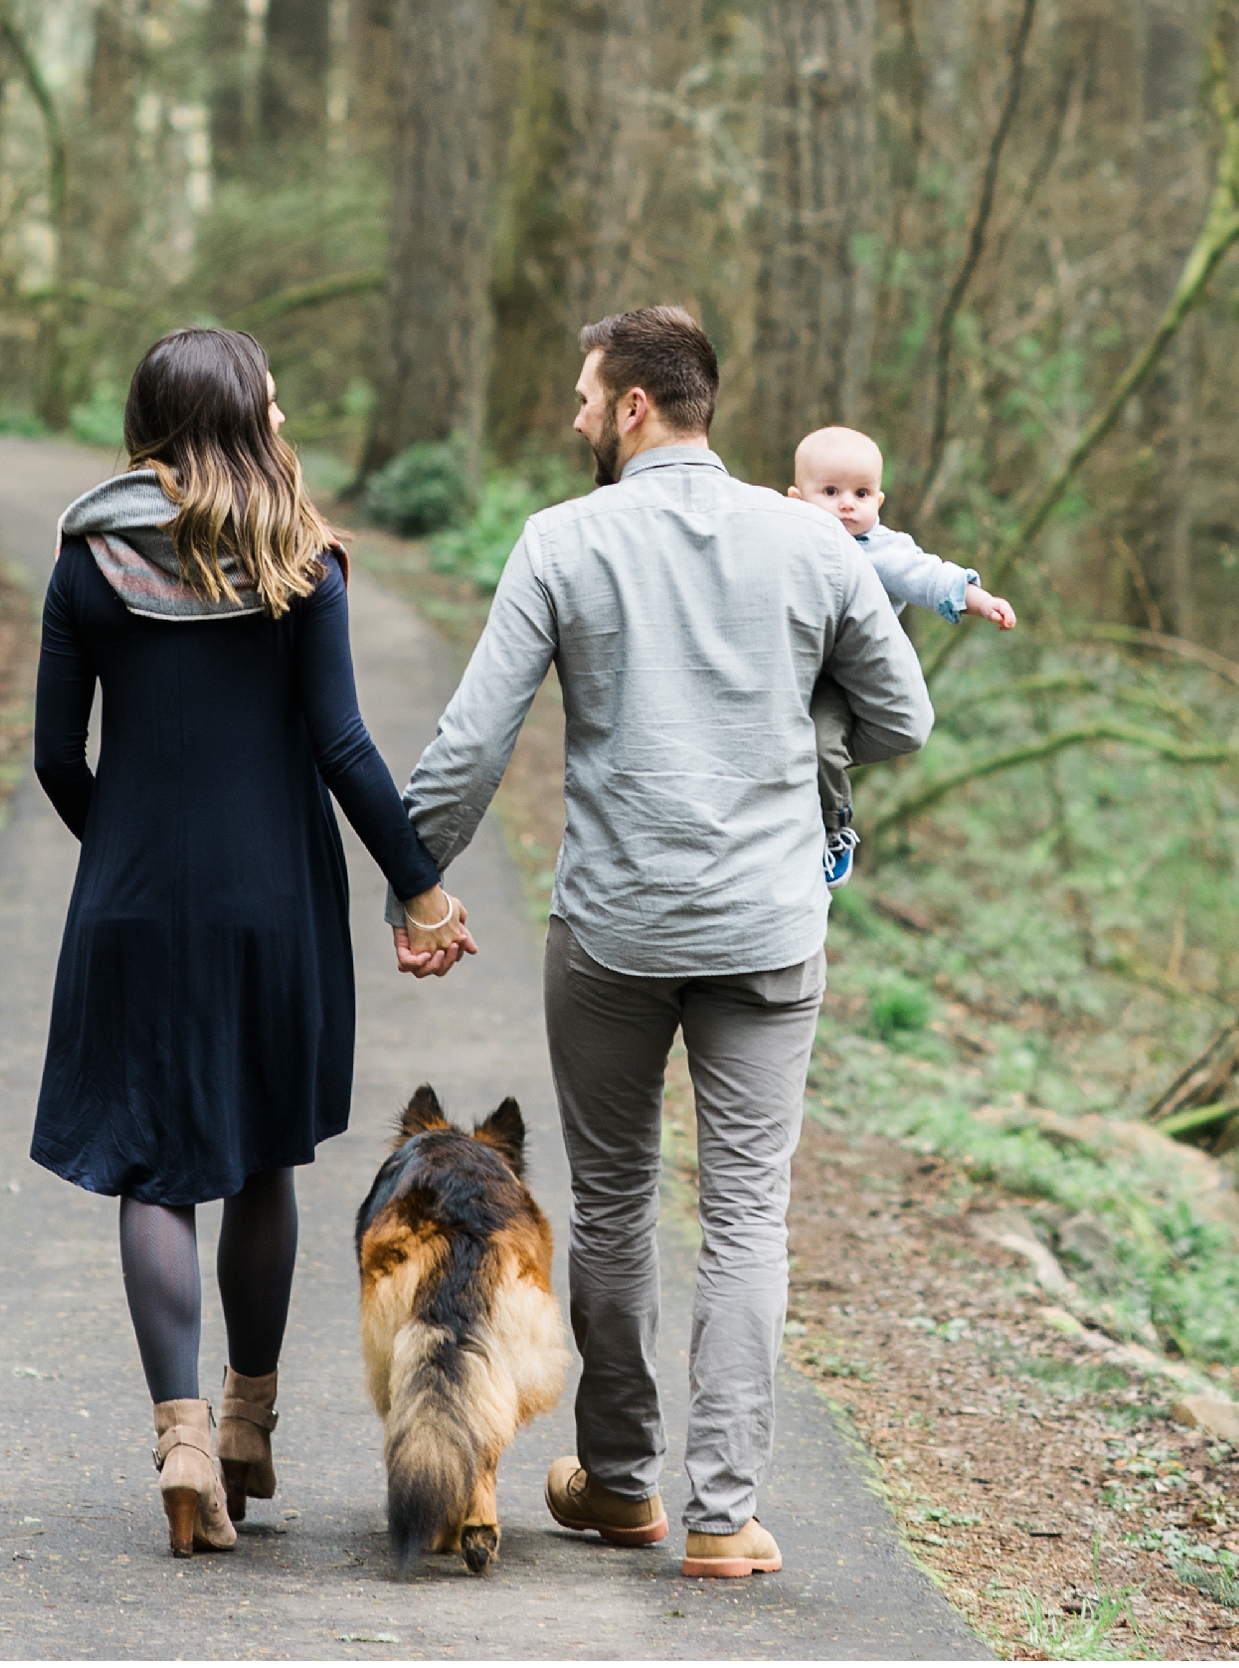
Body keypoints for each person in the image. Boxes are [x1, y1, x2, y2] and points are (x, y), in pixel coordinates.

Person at [391, 306, 934, 1581]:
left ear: (634, 406)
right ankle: (720, 1518)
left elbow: (470, 746)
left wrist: (414, 890)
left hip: (617, 930)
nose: (577, 418)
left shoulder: (560, 541)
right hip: (765, 927)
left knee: (621, 1202)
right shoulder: (809, 539)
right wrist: (800, 737)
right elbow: (899, 717)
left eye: (587, 398)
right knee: (747, 1218)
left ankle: (623, 1484)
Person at [28, 324, 474, 1556]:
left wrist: (118, 847)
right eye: (271, 407)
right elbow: (342, 747)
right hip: (272, 901)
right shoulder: (300, 562)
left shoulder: (87, 563)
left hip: (132, 904)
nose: (283, 423)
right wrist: (421, 890)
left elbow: (56, 759)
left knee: (152, 1168)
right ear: (236, 423)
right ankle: (246, 1422)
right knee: (264, 1154)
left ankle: (177, 1436)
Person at [787, 423, 1018, 889]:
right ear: (795, 499)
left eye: (862, 493)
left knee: (822, 745)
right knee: (794, 746)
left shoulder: (880, 550)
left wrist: (980, 600)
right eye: (830, 491)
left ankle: (832, 829)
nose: (847, 504)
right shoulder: (786, 539)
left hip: (845, 679)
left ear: (879, 502)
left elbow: (929, 577)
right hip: (793, 668)